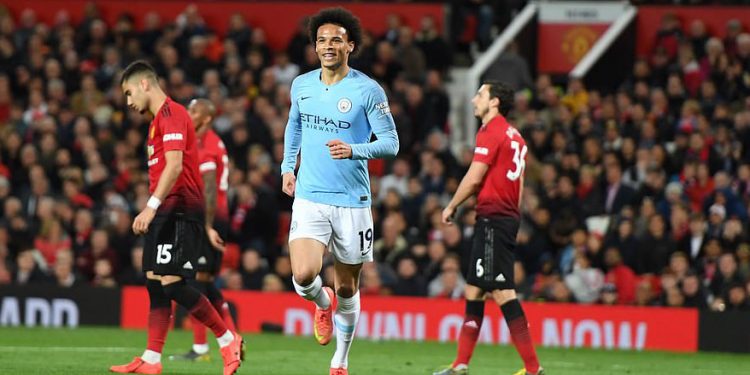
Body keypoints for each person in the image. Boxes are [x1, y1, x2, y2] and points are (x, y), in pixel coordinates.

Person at [281, 7, 399, 375]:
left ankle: (340, 360)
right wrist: (288, 166)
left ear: (350, 45)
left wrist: (354, 149)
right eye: (321, 40)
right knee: (303, 275)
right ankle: (321, 301)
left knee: (347, 287)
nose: (328, 46)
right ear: (314, 47)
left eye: (336, 39)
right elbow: (294, 126)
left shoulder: (367, 90)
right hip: (310, 196)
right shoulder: (301, 85)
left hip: (352, 201)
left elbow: (391, 143)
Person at [110, 61, 243, 375]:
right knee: (156, 283)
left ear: (145, 84)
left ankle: (227, 338)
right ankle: (152, 360)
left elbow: (174, 167)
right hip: (166, 210)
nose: (128, 102)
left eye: (129, 92)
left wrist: (150, 207)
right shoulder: (158, 121)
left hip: (180, 210)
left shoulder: (172, 114)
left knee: (172, 284)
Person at [434, 82, 544, 375]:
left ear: (494, 102)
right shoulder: (516, 136)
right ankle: (460, 364)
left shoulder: (491, 131)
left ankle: (533, 368)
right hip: (502, 218)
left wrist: (452, 205)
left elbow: (473, 177)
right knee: (475, 289)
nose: (473, 100)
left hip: (495, 219)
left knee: (501, 290)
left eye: (480, 95)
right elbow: (518, 184)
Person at [169, 98, 238, 362]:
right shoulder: (203, 141)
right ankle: (233, 337)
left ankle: (201, 349)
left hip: (210, 217)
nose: (189, 113)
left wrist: (207, 226)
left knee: (193, 283)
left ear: (207, 118)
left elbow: (209, 189)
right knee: (205, 284)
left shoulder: (207, 145)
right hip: (211, 216)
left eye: (194, 111)